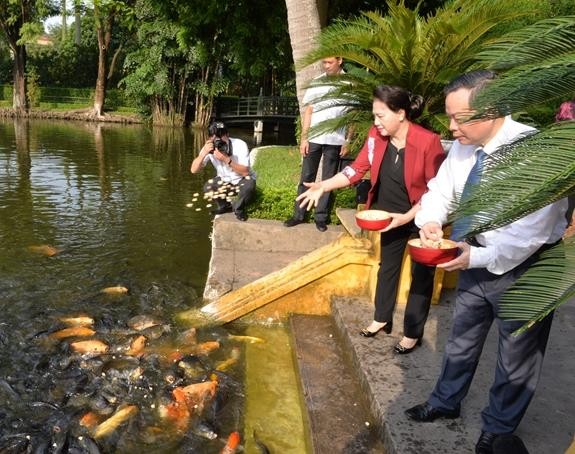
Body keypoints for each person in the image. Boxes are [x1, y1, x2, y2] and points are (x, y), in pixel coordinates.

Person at [404, 70, 567, 454]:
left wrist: (471, 255)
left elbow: (529, 235)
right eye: (449, 116)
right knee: (461, 338)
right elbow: (440, 191)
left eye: (460, 117)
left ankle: (498, 427)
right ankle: (445, 402)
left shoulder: (534, 153)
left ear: (492, 110)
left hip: (529, 269)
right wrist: (429, 220)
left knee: (517, 355)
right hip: (473, 256)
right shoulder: (463, 147)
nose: (451, 126)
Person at [297, 84, 445, 353]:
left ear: (401, 113)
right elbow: (356, 169)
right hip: (388, 213)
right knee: (387, 266)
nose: (376, 122)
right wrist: (324, 185)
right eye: (374, 116)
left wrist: (410, 217)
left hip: (423, 214)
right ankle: (381, 318)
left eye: (381, 115)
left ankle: (412, 332)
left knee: (421, 275)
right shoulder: (376, 137)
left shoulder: (427, 141)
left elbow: (437, 189)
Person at [284, 56, 349, 232]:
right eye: (324, 63)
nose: (326, 66)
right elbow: (309, 112)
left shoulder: (349, 84)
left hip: (335, 140)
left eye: (330, 62)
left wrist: (347, 140)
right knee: (306, 177)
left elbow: (352, 116)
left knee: (328, 180)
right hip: (314, 138)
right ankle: (299, 214)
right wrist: (304, 138)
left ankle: (321, 217)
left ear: (340, 60)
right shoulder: (317, 82)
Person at [190, 121, 256, 221]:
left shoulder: (240, 145)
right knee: (209, 187)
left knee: (249, 185)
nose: (218, 140)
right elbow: (193, 170)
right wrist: (203, 153)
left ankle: (239, 209)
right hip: (224, 180)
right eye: (214, 137)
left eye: (221, 136)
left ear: (227, 135)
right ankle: (225, 206)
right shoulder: (210, 147)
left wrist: (225, 159)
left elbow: (245, 172)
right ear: (210, 138)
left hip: (242, 179)